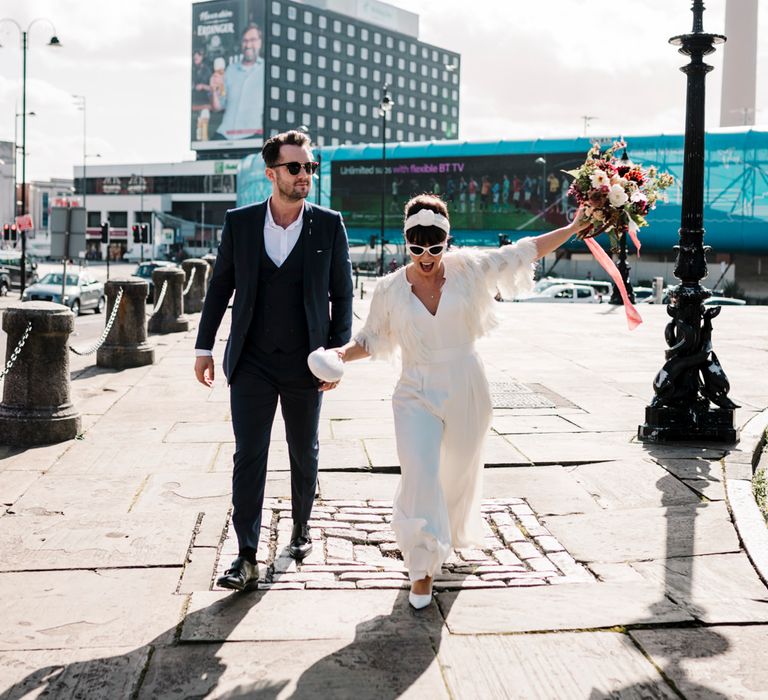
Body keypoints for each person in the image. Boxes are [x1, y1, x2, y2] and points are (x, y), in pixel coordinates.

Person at [333, 193, 591, 609]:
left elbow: (525, 250)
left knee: (455, 476)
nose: (426, 254)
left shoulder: (468, 269)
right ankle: (422, 567)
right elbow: (371, 338)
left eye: (434, 245)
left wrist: (575, 227)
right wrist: (341, 355)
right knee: (420, 473)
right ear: (405, 241)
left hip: (467, 386)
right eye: (416, 246)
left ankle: (442, 537)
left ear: (446, 241)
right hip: (414, 391)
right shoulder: (390, 289)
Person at [194, 130, 353, 591]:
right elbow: (220, 286)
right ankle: (245, 555)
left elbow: (342, 294)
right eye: (295, 167)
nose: (305, 175)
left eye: (310, 167)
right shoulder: (240, 223)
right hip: (252, 362)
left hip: (307, 362)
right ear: (272, 173)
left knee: (304, 451)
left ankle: (301, 525)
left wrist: (336, 354)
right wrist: (204, 348)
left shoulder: (328, 224)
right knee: (249, 455)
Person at [211, 23, 265, 140]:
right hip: (225, 134)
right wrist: (214, 90)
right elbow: (218, 107)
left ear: (260, 42)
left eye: (253, 40)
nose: (248, 44)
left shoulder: (267, 70)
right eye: (245, 41)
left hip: (253, 135)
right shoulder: (230, 70)